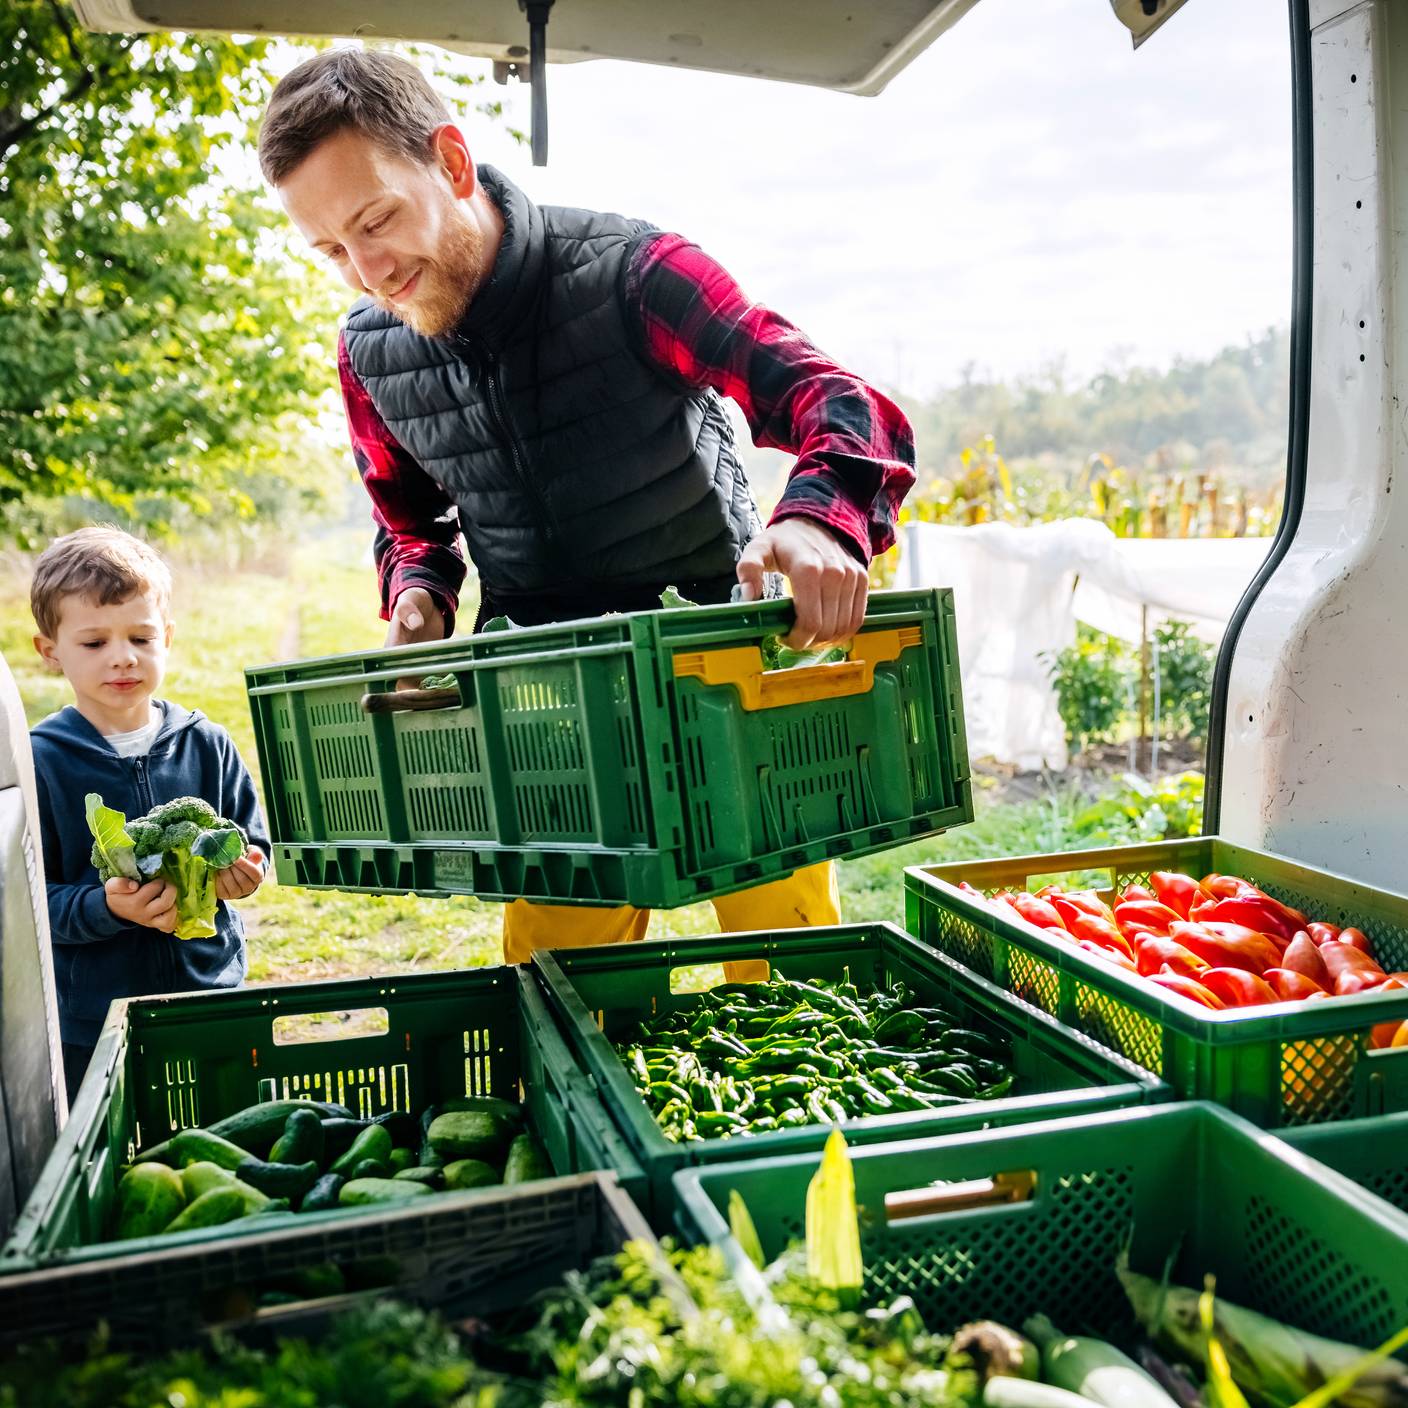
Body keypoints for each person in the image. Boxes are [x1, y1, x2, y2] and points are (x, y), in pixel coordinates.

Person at [258, 48, 916, 964]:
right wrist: (421, 597)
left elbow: (835, 399)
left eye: (376, 222)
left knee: (796, 986)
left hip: (731, 677)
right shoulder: (370, 351)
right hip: (549, 710)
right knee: (558, 996)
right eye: (331, 250)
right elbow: (412, 522)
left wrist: (814, 516)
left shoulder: (636, 272)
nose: (367, 272)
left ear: (451, 163)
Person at [29, 527, 269, 1103]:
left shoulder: (207, 743)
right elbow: (32, 902)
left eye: (141, 636)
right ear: (49, 651)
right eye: (94, 643)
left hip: (207, 990)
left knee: (220, 1120)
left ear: (167, 636)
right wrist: (103, 906)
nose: (123, 657)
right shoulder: (41, 761)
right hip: (94, 1018)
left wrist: (247, 872)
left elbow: (253, 839)